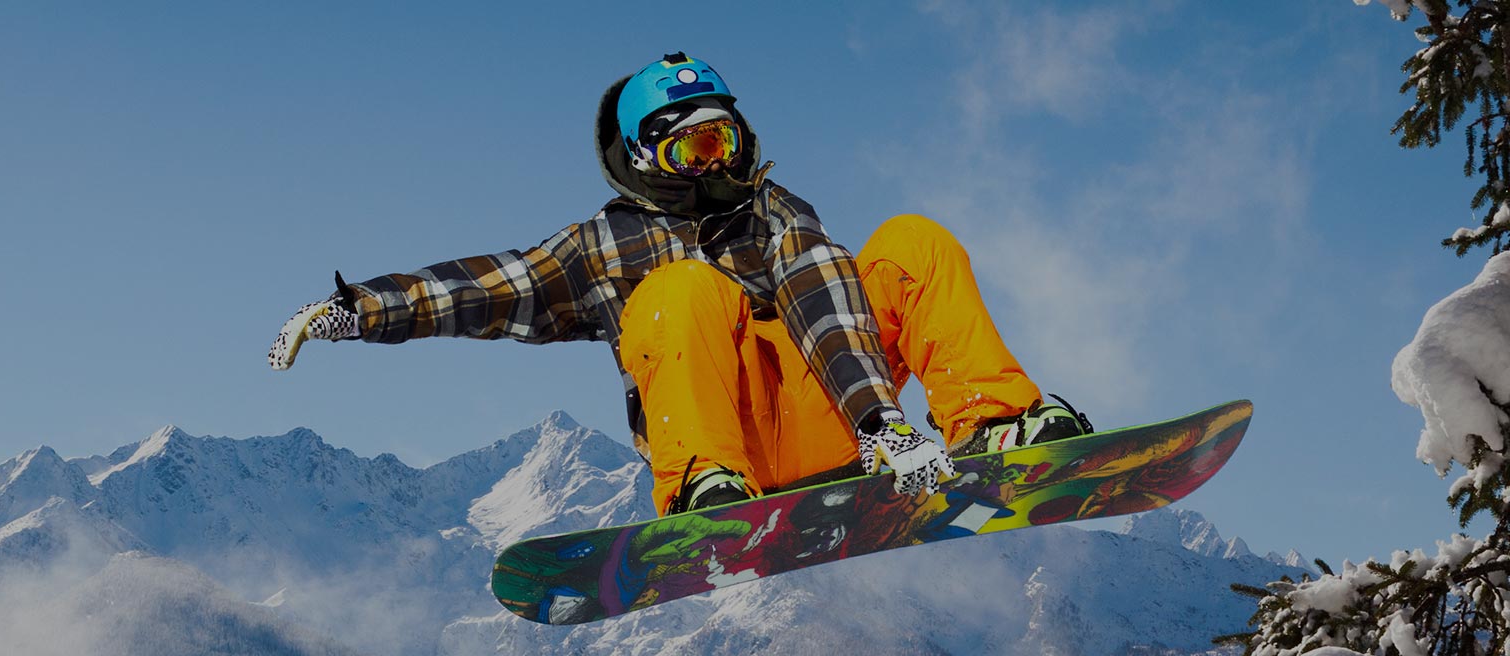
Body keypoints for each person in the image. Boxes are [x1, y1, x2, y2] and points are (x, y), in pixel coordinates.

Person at [266, 52, 1090, 517]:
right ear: (645, 156)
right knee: (681, 289)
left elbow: (823, 294)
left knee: (910, 240)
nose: (715, 165)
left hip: (848, 421)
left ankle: (997, 423)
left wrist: (880, 422)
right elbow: (492, 286)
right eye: (692, 151)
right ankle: (707, 484)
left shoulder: (773, 210)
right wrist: (357, 310)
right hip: (732, 441)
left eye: (722, 142)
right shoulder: (604, 245)